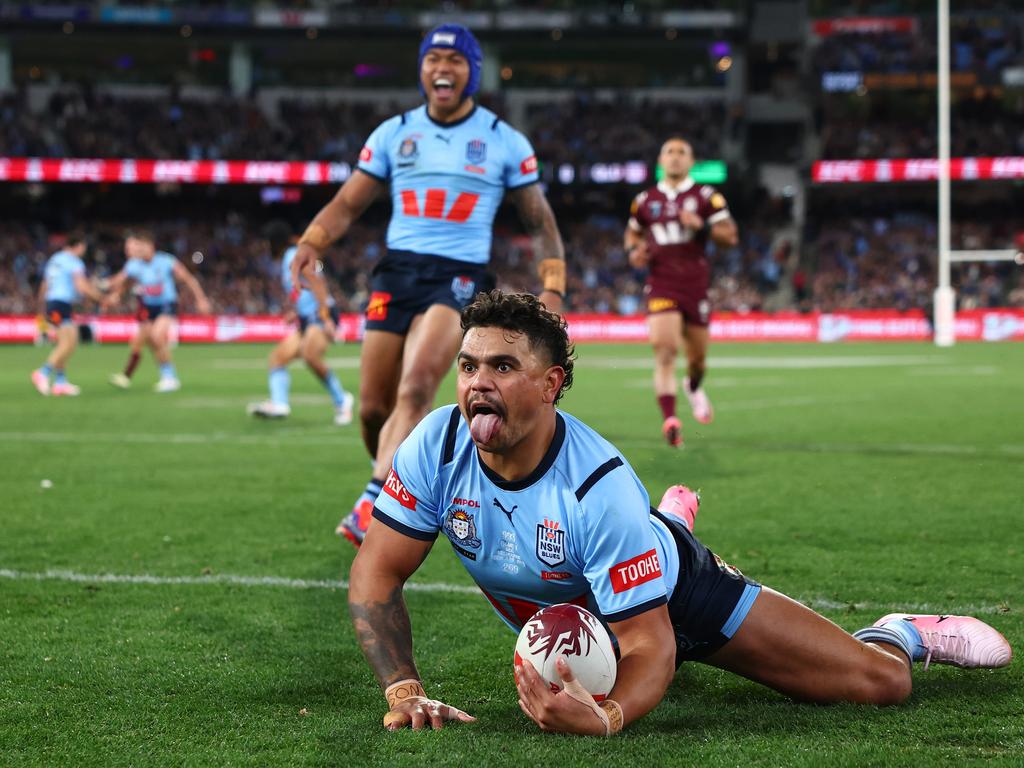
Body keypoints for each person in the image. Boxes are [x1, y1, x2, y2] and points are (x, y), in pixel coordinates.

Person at [348, 290, 1012, 735]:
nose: (476, 384)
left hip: (677, 596)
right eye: (467, 366)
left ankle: (901, 630)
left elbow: (650, 646)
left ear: (552, 384)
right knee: (619, 579)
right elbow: (375, 575)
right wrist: (404, 693)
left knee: (882, 686)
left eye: (502, 366)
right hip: (591, 611)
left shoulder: (596, 488)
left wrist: (604, 718)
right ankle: (662, 524)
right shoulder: (435, 444)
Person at [285, 24, 566, 546]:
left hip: (459, 276)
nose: (443, 67)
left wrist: (554, 287)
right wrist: (313, 241)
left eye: (455, 60)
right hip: (397, 272)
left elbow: (540, 221)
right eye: (434, 58)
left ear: (471, 72)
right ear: (422, 69)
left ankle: (374, 499)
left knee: (416, 387)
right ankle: (394, 476)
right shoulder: (394, 133)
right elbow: (349, 203)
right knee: (373, 407)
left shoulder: (504, 140)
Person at [624, 137, 738, 448]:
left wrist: (701, 226)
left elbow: (730, 235)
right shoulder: (645, 200)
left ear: (691, 161)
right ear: (661, 159)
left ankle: (693, 384)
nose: (675, 157)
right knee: (664, 350)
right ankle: (670, 419)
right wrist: (635, 251)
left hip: (695, 285)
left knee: (698, 360)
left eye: (682, 153)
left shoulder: (706, 196)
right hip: (661, 282)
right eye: (669, 152)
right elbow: (633, 232)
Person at [247, 220, 354, 425]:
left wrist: (326, 317)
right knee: (277, 358)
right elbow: (305, 290)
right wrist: (296, 313)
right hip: (307, 319)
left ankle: (342, 400)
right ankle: (280, 404)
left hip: (319, 317)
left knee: (309, 354)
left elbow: (318, 283)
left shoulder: (294, 256)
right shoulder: (289, 258)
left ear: (274, 242)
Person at [104, 229, 212, 393]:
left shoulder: (166, 260)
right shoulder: (134, 264)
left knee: (156, 336)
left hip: (167, 305)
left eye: (142, 247)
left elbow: (188, 279)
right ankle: (163, 376)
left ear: (151, 246)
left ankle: (170, 378)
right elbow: (123, 281)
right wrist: (112, 292)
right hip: (148, 308)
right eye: (137, 247)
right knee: (147, 342)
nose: (139, 250)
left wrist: (201, 299)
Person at [30, 232, 106, 397]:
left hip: (53, 304)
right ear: (78, 246)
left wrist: (41, 306)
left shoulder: (55, 259)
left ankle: (60, 383)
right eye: (83, 247)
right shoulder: (74, 261)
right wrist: (100, 299)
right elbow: (81, 287)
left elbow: (45, 284)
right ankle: (43, 373)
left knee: (66, 343)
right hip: (61, 304)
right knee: (68, 343)